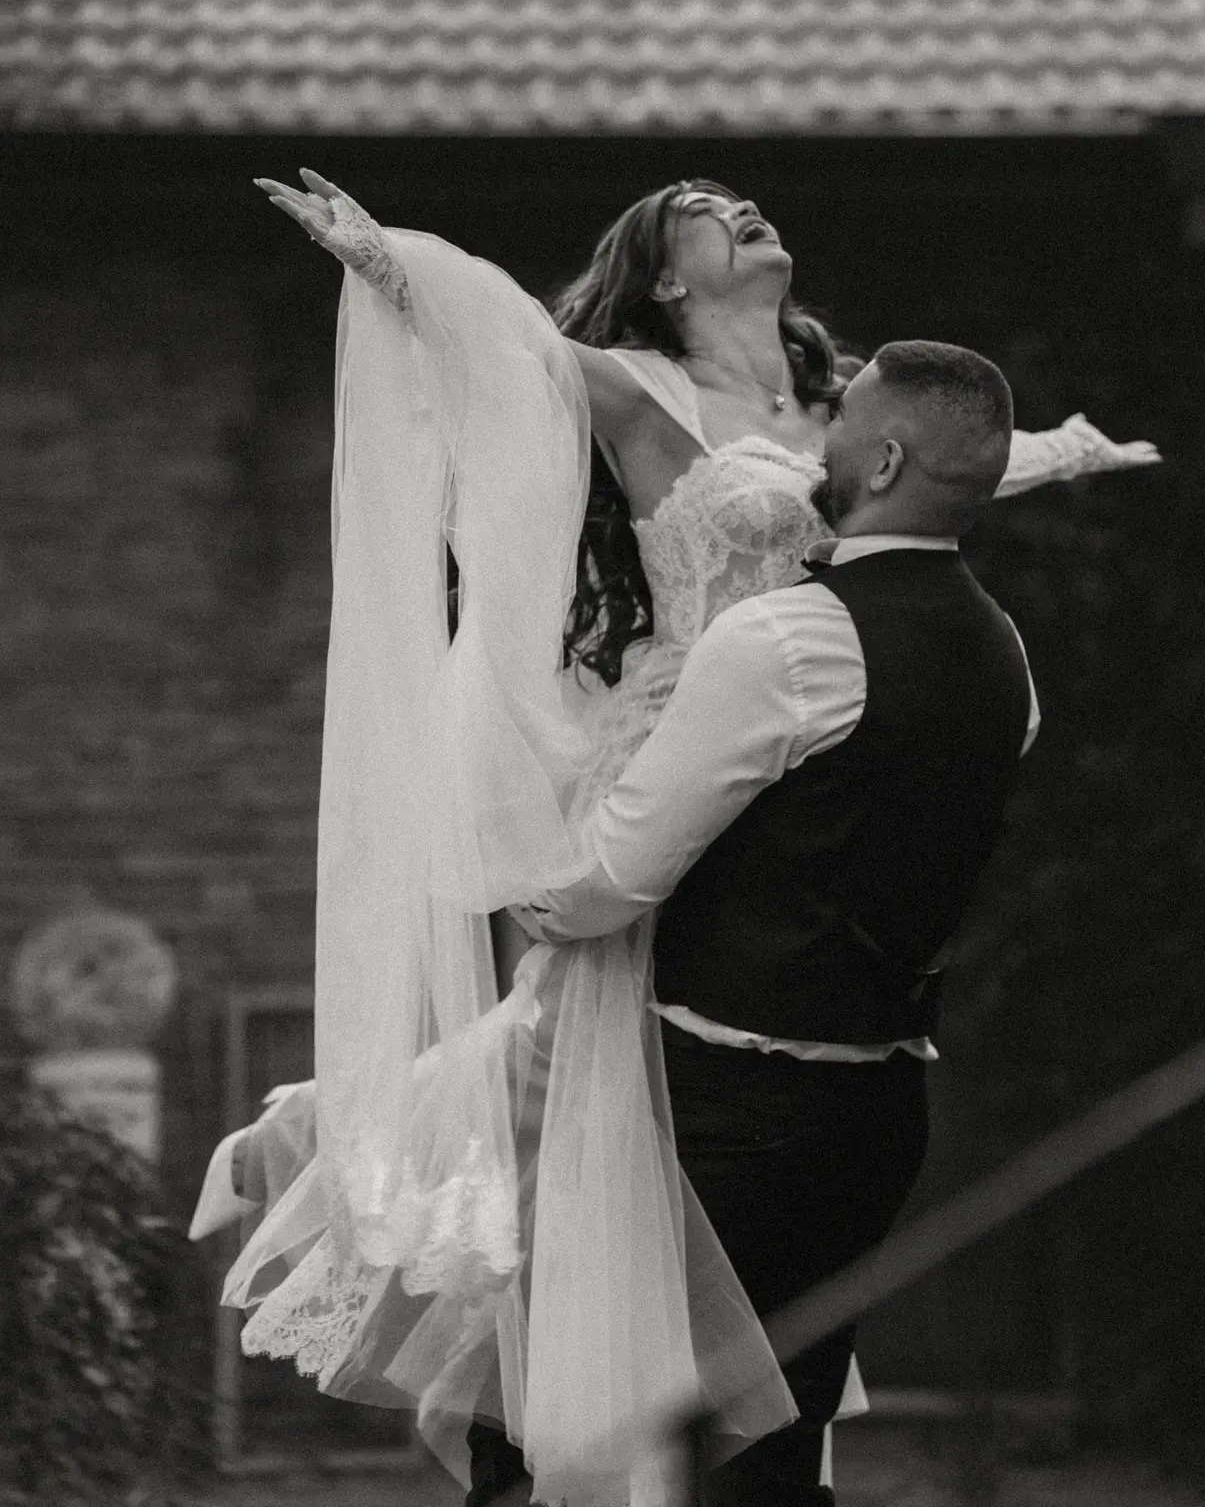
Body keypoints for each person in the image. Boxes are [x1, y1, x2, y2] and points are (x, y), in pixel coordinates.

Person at [194, 176, 1155, 1503]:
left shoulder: (839, 408)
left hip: (803, 751)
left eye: (745, 197)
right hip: (682, 735)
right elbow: (509, 344)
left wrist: (1066, 448)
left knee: (609, 1098)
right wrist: (399, 261)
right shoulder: (640, 389)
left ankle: (385, 1188)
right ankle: (376, 1190)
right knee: (583, 1074)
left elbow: (947, 464)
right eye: (707, 207)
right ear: (661, 275)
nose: (743, 207)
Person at [485, 338, 1039, 1507]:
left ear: (884, 462)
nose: (817, 440)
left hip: (731, 1113)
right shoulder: (1007, 657)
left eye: (844, 423)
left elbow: (614, 873)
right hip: (881, 1110)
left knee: (630, 1443)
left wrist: (510, 876)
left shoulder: (788, 641)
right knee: (778, 1447)